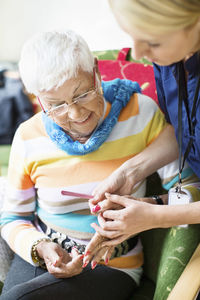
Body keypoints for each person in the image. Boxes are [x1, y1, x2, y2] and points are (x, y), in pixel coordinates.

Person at [0, 29, 180, 300]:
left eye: (82, 93)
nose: (76, 114)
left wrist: (150, 206)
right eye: (56, 105)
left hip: (114, 264)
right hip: (47, 252)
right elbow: (14, 218)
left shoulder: (141, 114)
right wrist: (41, 247)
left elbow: (188, 190)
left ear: (95, 72)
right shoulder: (28, 136)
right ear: (37, 98)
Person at [85, 0, 200, 262]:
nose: (138, 52)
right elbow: (184, 133)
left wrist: (157, 216)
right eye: (133, 36)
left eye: (153, 41)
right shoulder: (170, 59)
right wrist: (130, 172)